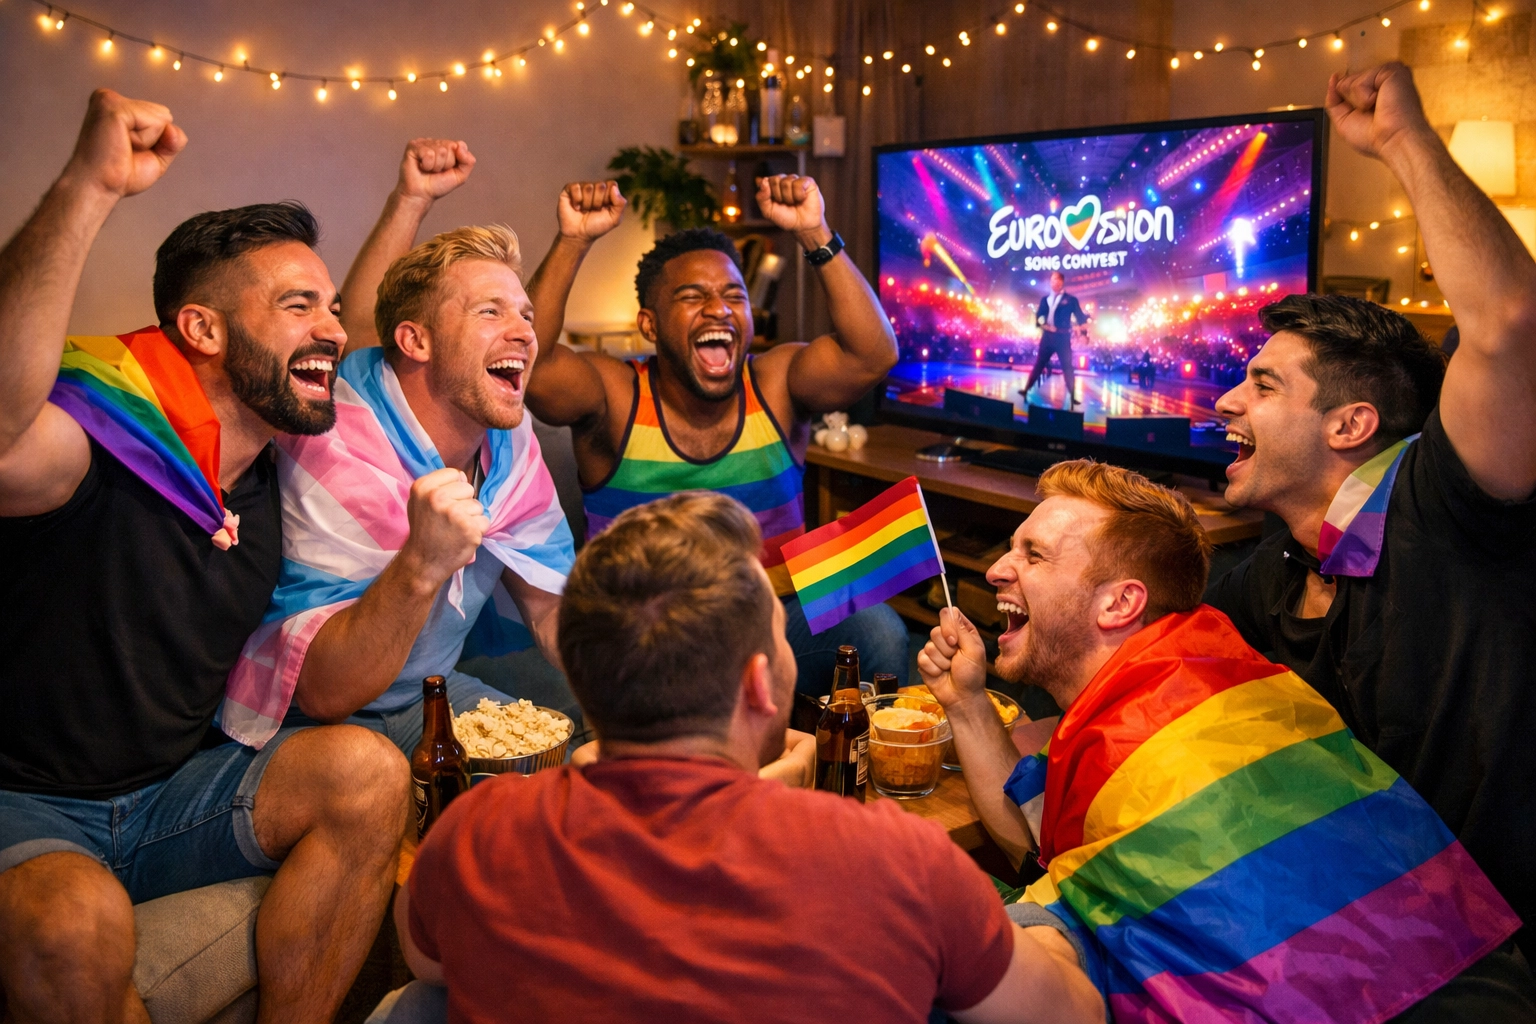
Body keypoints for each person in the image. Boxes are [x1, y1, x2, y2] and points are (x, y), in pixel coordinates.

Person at [377, 491, 1103, 1024]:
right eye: (781, 638)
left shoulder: (476, 832)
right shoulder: (899, 861)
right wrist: (1049, 928)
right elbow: (1071, 1017)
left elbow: (430, 959)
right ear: (762, 684)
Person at [0, 89, 409, 1022]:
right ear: (204, 331)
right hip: (24, 803)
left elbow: (379, 350)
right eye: (298, 303)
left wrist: (409, 201)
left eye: (333, 305)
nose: (334, 328)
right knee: (71, 924)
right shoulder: (99, 438)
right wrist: (88, 186)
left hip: (173, 793)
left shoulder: (280, 457)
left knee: (369, 771)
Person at [919, 460, 1533, 1023]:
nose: (997, 568)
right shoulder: (1221, 669)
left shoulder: (1132, 737)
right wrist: (965, 701)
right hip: (1488, 974)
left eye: (1034, 555)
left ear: (1120, 603)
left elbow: (1046, 901)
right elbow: (1049, 845)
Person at [341, 166, 912, 695]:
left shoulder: (777, 381)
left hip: (767, 615)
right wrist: (573, 241)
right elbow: (523, 367)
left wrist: (816, 232)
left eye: (734, 296)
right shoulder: (615, 393)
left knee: (879, 631)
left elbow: (872, 355)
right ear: (648, 324)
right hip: (647, 626)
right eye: (693, 297)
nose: (719, 310)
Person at [1202, 62, 1536, 959]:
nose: (1226, 402)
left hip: (1488, 963)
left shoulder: (1447, 503)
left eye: (1262, 383)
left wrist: (1401, 140)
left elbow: (1508, 320)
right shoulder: (1271, 572)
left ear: (1351, 423)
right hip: (1352, 936)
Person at [223, 138, 575, 757]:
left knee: (567, 769)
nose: (525, 331)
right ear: (415, 341)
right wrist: (424, 559)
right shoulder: (331, 435)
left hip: (427, 692)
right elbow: (328, 694)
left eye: (524, 315)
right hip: (310, 725)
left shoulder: (511, 441)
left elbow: (552, 613)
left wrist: (659, 712)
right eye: (491, 312)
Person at [1022, 271, 1088, 407]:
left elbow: (1081, 318)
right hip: (1047, 337)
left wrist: (1084, 334)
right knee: (1039, 364)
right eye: (1052, 280)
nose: (1054, 283)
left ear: (1062, 282)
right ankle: (1026, 389)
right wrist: (1044, 325)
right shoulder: (1045, 300)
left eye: (1057, 280)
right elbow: (1039, 316)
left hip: (1062, 338)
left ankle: (1072, 396)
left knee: (1067, 367)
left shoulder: (1070, 300)